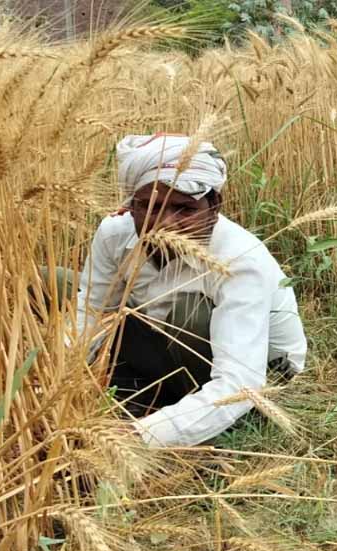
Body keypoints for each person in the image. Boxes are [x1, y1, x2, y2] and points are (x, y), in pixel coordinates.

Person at [64, 133, 308, 448]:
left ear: (214, 206)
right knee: (54, 283)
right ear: (131, 206)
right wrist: (54, 377)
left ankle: (180, 407)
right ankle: (146, 388)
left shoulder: (241, 260)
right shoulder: (114, 233)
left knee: (189, 313)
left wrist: (141, 436)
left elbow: (239, 382)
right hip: (163, 340)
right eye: (151, 207)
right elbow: (93, 312)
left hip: (259, 370)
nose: (165, 224)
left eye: (184, 209)